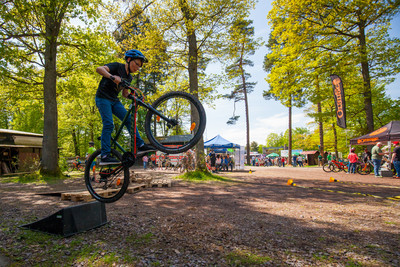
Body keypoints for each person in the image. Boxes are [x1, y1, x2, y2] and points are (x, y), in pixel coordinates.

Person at [95, 49, 154, 164]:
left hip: (114, 100)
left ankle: (140, 144)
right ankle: (105, 155)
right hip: (102, 98)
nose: (137, 68)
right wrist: (112, 77)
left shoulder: (129, 78)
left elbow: (125, 94)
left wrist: (135, 97)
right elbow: (99, 69)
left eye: (139, 66)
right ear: (128, 59)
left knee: (129, 120)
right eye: (136, 64)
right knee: (109, 124)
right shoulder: (117, 67)